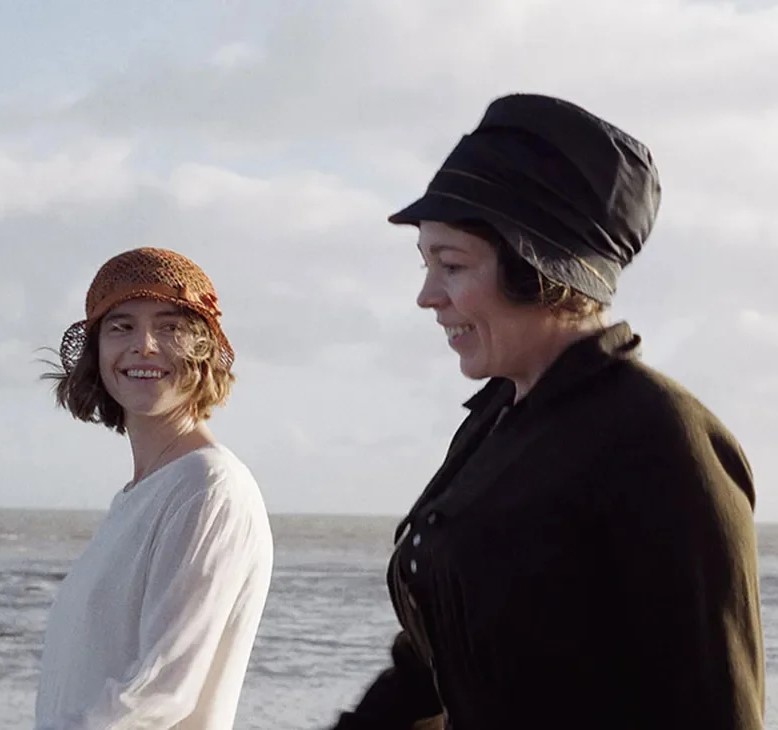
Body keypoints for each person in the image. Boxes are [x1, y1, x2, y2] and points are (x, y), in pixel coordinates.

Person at [327, 95, 764, 729]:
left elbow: (717, 708)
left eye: (451, 265)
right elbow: (434, 665)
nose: (427, 296)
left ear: (537, 268)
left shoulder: (661, 436)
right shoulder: (494, 421)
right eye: (426, 263)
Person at [35, 248, 273, 730]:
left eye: (170, 327)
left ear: (203, 349)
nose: (143, 345)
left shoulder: (209, 488)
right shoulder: (140, 495)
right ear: (97, 352)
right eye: (120, 326)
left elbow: (162, 692)